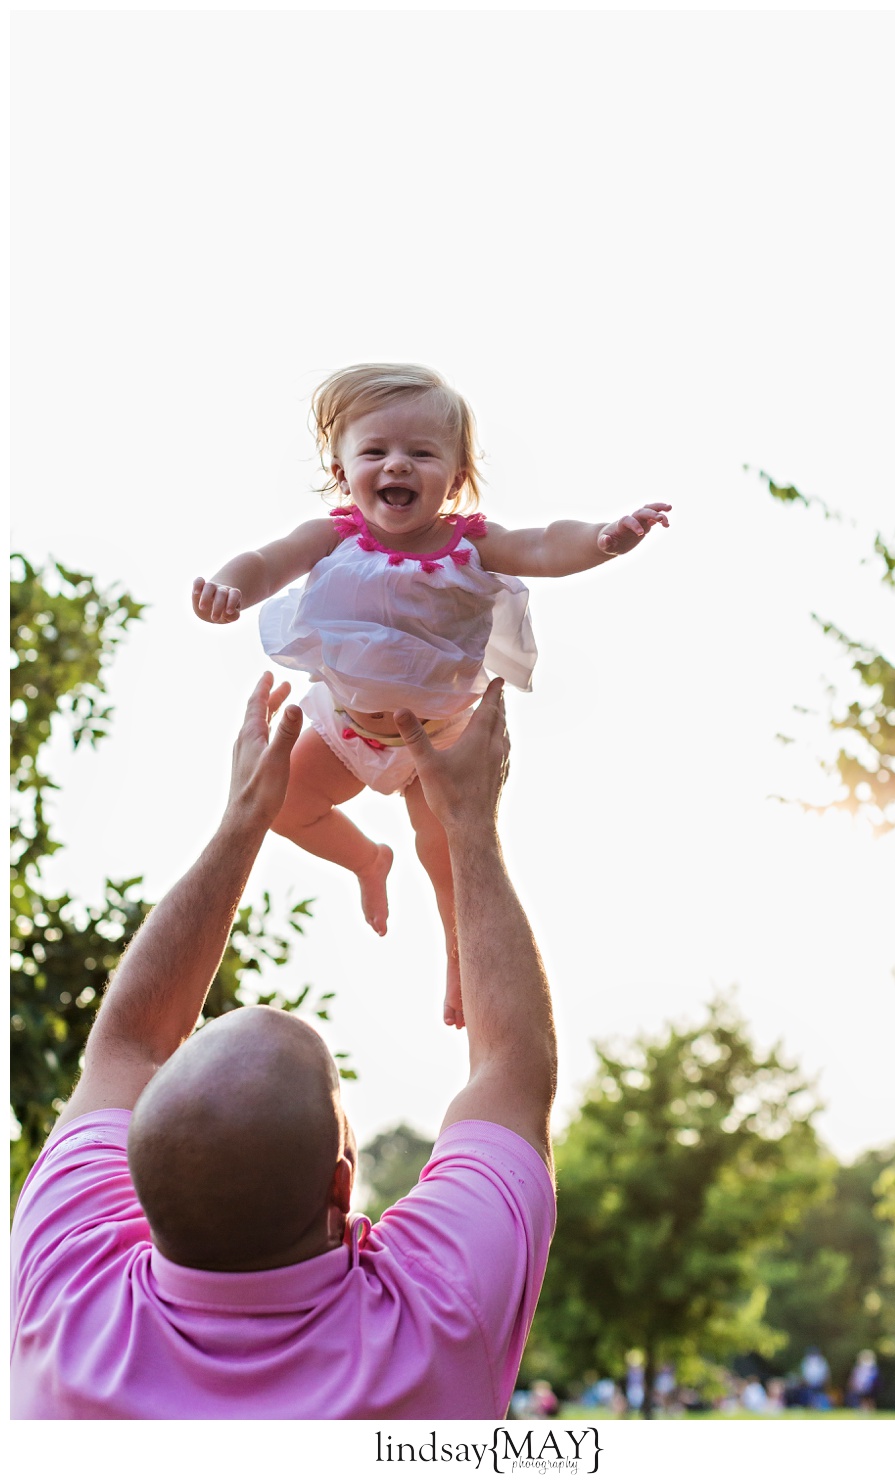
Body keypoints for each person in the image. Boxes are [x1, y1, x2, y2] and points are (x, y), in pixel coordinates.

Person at [10, 674, 558, 1420]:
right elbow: (514, 1071)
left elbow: (127, 1047)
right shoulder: (438, 1316)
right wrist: (469, 824)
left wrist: (245, 820)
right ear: (341, 1189)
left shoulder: (65, 1302)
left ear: (138, 1182)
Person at [193, 363, 671, 1028]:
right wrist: (230, 588)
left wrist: (602, 540)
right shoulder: (330, 537)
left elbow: (543, 542)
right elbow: (265, 562)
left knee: (445, 856)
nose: (398, 466)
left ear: (456, 473)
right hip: (349, 729)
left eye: (421, 453)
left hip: (439, 738)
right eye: (376, 452)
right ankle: (366, 858)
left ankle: (456, 957)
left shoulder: (472, 544)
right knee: (282, 802)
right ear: (341, 471)